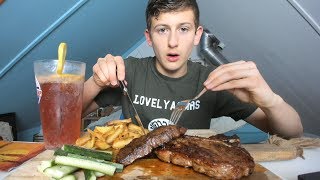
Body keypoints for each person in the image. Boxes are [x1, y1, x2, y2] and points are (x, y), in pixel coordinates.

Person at [82, 0, 303, 138]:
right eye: (162, 30)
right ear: (149, 38)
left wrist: (270, 100)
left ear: (197, 35)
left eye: (184, 29)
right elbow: (70, 113)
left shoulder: (213, 81)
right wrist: (95, 82)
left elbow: (291, 133)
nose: (173, 42)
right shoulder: (129, 71)